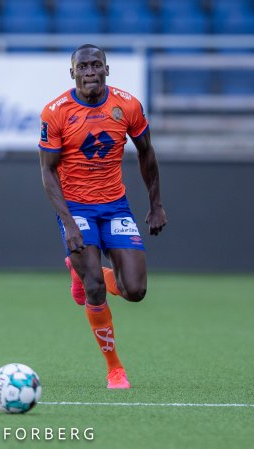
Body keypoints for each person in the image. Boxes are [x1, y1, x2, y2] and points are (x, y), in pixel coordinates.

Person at [39, 44, 167, 389]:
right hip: (77, 208)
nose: (90, 71)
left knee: (135, 291)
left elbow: (147, 153)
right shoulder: (56, 112)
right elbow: (48, 172)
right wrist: (67, 223)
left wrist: (155, 205)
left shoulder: (127, 105)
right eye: (83, 66)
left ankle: (81, 269)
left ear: (107, 70)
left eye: (97, 65)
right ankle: (115, 368)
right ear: (73, 73)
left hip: (114, 206)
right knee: (95, 288)